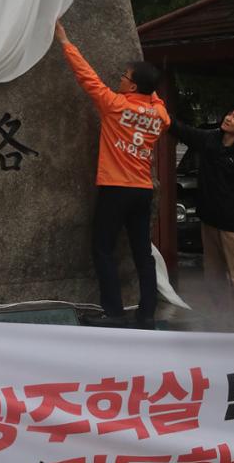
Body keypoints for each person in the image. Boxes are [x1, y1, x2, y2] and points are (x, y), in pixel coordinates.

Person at [55, 20, 170, 328]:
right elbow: (159, 106)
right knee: (142, 253)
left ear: (132, 86)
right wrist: (150, 94)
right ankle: (147, 312)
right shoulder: (159, 115)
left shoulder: (115, 106)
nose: (119, 79)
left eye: (124, 76)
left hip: (116, 188)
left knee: (102, 248)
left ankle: (113, 311)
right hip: (142, 190)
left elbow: (87, 76)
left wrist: (65, 42)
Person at [169, 106, 234, 332]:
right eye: (229, 114)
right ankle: (222, 325)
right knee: (213, 279)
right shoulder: (211, 140)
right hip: (209, 222)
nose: (228, 118)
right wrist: (158, 109)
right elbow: (184, 131)